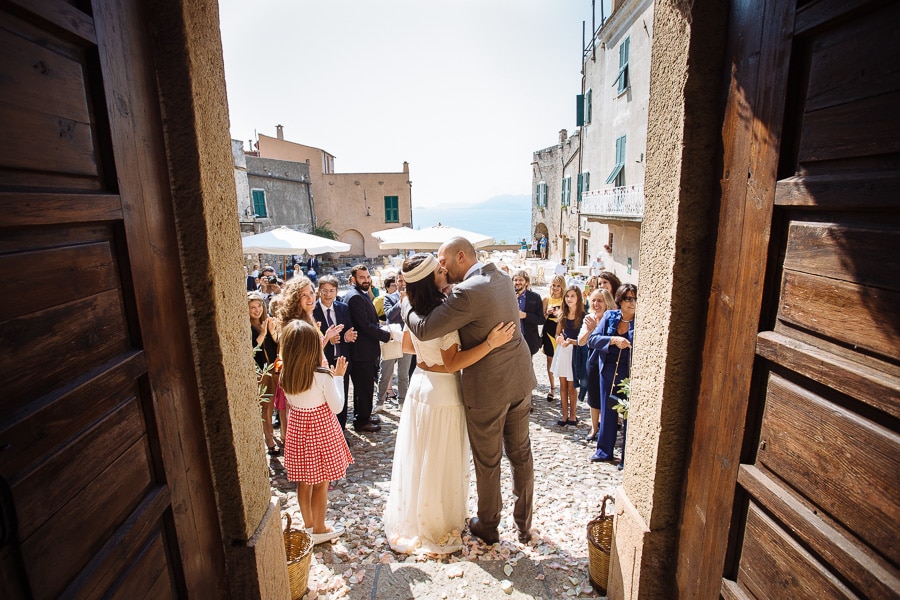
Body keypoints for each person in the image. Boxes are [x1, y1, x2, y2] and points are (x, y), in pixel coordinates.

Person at [403, 237, 536, 545]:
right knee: (521, 455)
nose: (441, 267)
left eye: (444, 261)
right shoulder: (501, 276)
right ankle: (524, 525)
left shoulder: (466, 292)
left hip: (488, 390)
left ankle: (488, 526)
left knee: (488, 462)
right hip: (519, 379)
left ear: (460, 256)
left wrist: (405, 301)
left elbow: (423, 329)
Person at [384, 254, 516, 554]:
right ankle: (437, 523)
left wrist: (427, 354)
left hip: (419, 386)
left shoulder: (413, 309)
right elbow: (451, 363)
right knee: (441, 459)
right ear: (432, 280)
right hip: (443, 394)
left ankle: (417, 517)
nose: (445, 272)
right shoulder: (442, 314)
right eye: (440, 271)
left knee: (421, 456)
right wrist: (489, 344)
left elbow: (406, 346)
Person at [280, 319, 353, 545]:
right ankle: (320, 528)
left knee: (304, 481)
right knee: (321, 482)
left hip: (298, 430)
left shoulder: (287, 374)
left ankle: (309, 524)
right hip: (321, 430)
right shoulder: (322, 376)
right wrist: (339, 376)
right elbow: (338, 406)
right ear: (313, 348)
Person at [588, 283, 637, 469]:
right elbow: (593, 340)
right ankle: (604, 452)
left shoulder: (639, 321)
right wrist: (613, 340)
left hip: (628, 375)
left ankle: (627, 458)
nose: (632, 302)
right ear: (620, 300)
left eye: (635, 298)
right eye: (628, 298)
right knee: (607, 412)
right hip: (607, 372)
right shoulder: (610, 317)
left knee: (627, 417)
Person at [344, 265, 394, 433]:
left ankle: (363, 415)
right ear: (353, 279)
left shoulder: (360, 294)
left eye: (367, 277)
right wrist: (386, 335)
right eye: (361, 277)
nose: (366, 280)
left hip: (365, 350)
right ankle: (361, 421)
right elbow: (365, 326)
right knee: (363, 387)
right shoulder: (355, 297)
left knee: (364, 387)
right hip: (361, 352)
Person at [313, 275, 358, 428]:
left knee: (341, 395)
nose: (328, 294)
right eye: (324, 291)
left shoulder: (343, 308)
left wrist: (347, 337)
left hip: (341, 360)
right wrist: (326, 340)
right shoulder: (313, 311)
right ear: (319, 291)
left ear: (336, 291)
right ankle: (327, 430)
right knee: (324, 399)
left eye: (331, 291)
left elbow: (350, 328)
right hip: (322, 362)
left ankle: (341, 431)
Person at [577, 288, 617, 435]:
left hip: (609, 360)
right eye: (593, 300)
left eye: (599, 300)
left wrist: (596, 330)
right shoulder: (589, 318)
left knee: (608, 396)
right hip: (593, 359)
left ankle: (608, 427)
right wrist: (589, 330)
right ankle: (594, 427)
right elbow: (581, 342)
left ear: (607, 302)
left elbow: (608, 341)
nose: (596, 303)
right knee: (593, 395)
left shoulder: (613, 318)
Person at [249, 292, 280, 456]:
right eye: (252, 307)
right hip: (261, 372)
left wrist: (271, 331)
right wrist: (262, 333)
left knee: (279, 404)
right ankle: (269, 439)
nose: (257, 310)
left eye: (259, 306)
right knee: (266, 407)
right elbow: (252, 349)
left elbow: (277, 343)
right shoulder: (246, 326)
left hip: (275, 368)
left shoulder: (268, 321)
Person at [550, 285, 585, 427]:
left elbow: (585, 339)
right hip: (563, 351)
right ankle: (564, 414)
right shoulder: (562, 314)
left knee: (572, 386)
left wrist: (573, 342)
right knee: (563, 385)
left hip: (575, 352)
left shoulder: (583, 316)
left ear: (578, 298)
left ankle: (573, 414)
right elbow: (557, 333)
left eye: (572, 296)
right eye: (567, 296)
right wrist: (559, 339)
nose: (569, 299)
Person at [378, 272, 412, 407]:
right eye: (399, 281)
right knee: (385, 372)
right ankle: (379, 401)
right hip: (391, 340)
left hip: (406, 339)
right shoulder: (389, 298)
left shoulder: (413, 299)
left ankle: (402, 402)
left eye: (404, 281)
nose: (402, 283)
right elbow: (390, 316)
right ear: (396, 282)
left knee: (403, 375)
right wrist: (400, 302)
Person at [541, 275, 565, 403]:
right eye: (553, 285)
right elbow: (541, 318)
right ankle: (552, 387)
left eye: (558, 286)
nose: (555, 288)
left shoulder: (565, 299)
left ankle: (563, 389)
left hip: (561, 331)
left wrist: (560, 313)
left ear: (562, 287)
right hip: (548, 329)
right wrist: (547, 313)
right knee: (549, 359)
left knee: (562, 360)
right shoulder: (546, 299)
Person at [512, 270, 545, 356]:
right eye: (515, 280)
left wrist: (526, 316)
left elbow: (541, 320)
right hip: (511, 339)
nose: (518, 282)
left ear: (526, 283)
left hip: (528, 339)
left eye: (521, 280)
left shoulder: (535, 297)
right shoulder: (508, 297)